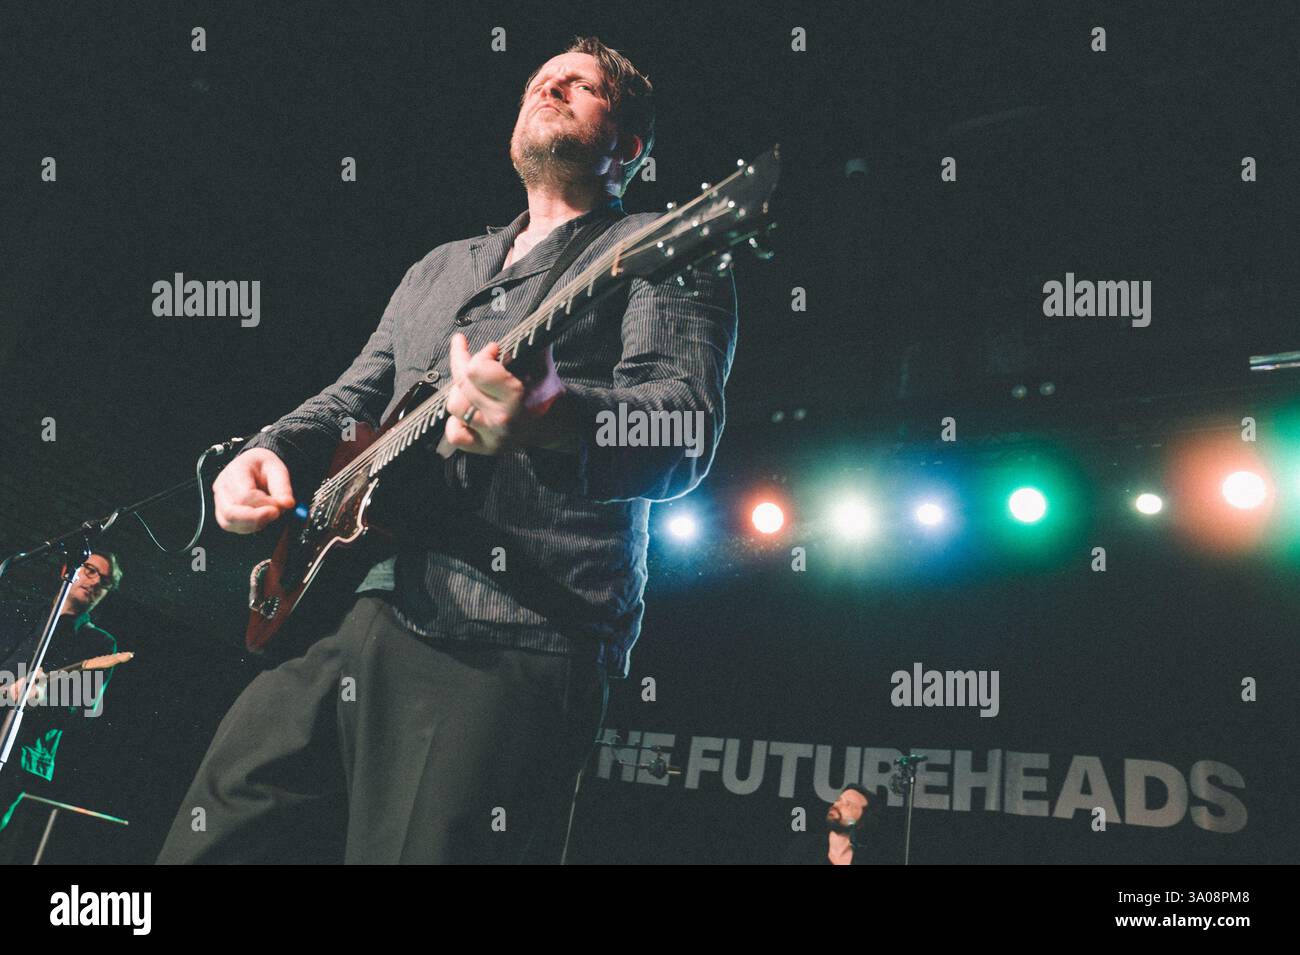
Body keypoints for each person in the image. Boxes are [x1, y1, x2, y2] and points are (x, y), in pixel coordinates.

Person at [158, 35, 738, 864]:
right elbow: (354, 393)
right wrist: (268, 450)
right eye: (543, 80)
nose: (554, 88)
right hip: (341, 607)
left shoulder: (666, 243)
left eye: (583, 87)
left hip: (509, 632)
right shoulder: (441, 266)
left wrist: (556, 418)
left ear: (630, 147)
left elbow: (680, 424)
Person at [0, 552, 121, 856]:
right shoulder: (17, 614)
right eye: (90, 571)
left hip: (20, 755)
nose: (94, 582)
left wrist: (40, 699)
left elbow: (82, 712)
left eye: (104, 582)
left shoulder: (99, 644)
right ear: (68, 570)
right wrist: (7, 692)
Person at [781, 785, 890, 865]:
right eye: (839, 800)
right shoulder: (805, 846)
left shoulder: (870, 859)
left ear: (863, 821)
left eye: (848, 804)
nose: (837, 805)